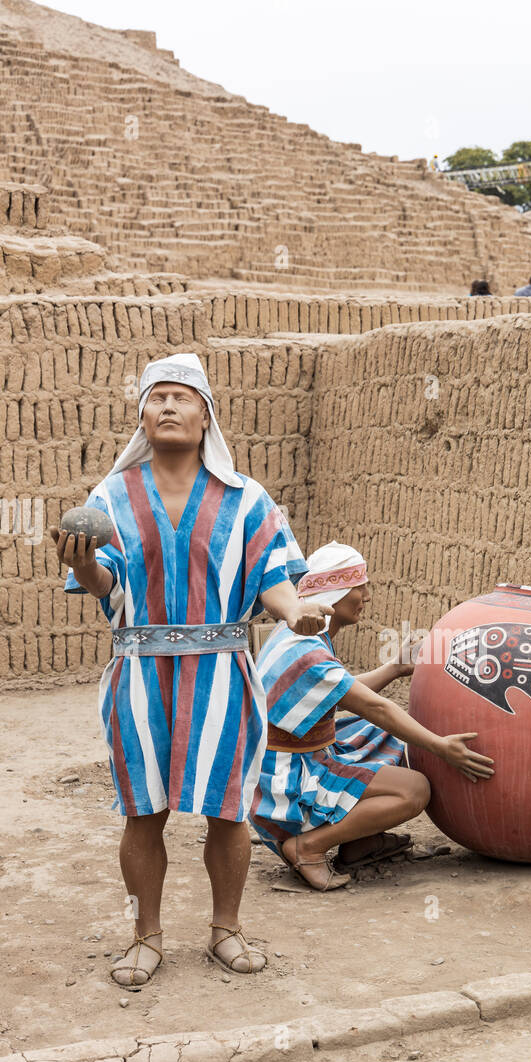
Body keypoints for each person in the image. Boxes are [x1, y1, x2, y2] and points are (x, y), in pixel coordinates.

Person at [51, 353, 332, 987]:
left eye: (183, 397)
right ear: (142, 416)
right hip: (140, 674)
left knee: (228, 812)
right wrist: (83, 562)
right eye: (158, 397)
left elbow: (272, 576)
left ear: (207, 416)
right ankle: (145, 937)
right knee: (143, 812)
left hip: (222, 675)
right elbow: (103, 582)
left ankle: (225, 929)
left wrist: (295, 612)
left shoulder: (246, 498)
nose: (169, 407)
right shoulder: (111, 497)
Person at [250, 542, 495, 890]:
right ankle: (308, 846)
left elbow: (342, 692)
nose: (366, 596)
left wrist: (394, 668)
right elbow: (376, 707)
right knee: (414, 790)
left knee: (389, 735)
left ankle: (359, 842)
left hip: (291, 762)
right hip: (285, 785)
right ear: (336, 593)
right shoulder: (307, 652)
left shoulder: (300, 634)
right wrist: (441, 747)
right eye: (359, 587)